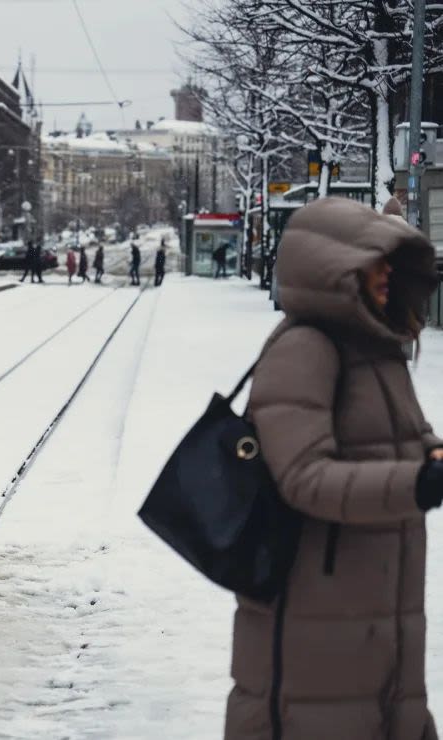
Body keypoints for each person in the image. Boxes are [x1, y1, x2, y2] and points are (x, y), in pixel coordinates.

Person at [225, 197, 443, 740]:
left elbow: (404, 439)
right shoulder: (304, 350)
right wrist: (417, 483)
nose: (388, 274)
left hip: (375, 606)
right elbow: (302, 476)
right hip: (315, 608)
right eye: (376, 261)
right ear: (333, 267)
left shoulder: (378, 351)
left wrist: (433, 455)